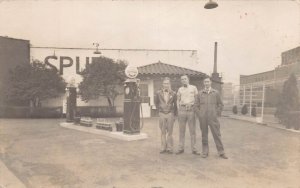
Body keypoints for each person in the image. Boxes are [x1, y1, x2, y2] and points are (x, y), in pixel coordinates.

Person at [195, 77, 228, 159]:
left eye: (208, 82)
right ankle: (205, 152)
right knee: (204, 135)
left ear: (211, 83)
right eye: (205, 82)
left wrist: (216, 113)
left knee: (216, 134)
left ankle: (221, 152)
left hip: (213, 118)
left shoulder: (215, 93)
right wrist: (200, 114)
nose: (206, 83)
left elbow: (221, 105)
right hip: (203, 118)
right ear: (203, 83)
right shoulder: (200, 93)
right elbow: (195, 106)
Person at [176, 75, 200, 155]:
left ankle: (194, 149)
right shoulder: (180, 89)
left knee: (192, 131)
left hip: (191, 110)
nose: (183, 80)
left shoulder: (194, 88)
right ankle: (180, 148)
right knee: (181, 130)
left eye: (185, 79)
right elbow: (177, 100)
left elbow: (197, 99)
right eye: (182, 79)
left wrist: (193, 106)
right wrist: (179, 109)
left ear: (188, 79)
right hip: (182, 110)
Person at [154, 77, 177, 154]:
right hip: (162, 114)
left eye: (167, 83)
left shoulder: (173, 93)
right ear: (162, 84)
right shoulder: (158, 93)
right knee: (163, 131)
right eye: (164, 83)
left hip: (170, 113)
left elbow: (175, 105)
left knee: (170, 132)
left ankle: (169, 148)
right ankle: (163, 147)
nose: (166, 85)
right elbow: (156, 103)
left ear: (169, 84)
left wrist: (174, 114)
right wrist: (160, 110)